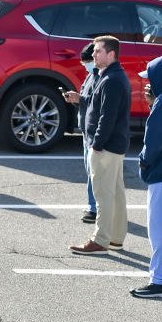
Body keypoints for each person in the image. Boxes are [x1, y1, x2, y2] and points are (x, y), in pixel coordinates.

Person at [71, 35, 131, 255]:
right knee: (115, 192)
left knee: (103, 194)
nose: (93, 55)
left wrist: (96, 145)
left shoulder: (112, 80)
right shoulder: (110, 76)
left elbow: (107, 117)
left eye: (98, 51)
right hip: (113, 145)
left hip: (106, 147)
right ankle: (116, 238)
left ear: (111, 54)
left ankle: (100, 241)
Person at [132, 55, 162, 298]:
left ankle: (160, 280)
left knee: (159, 229)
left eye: (150, 78)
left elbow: (153, 142)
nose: (146, 84)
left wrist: (143, 161)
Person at [62, 44, 100, 223]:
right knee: (89, 170)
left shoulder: (103, 78)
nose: (84, 64)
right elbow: (87, 102)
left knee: (95, 172)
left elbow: (98, 104)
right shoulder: (90, 77)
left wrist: (81, 99)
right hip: (86, 131)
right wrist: (77, 99)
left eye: (87, 61)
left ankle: (94, 209)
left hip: (94, 134)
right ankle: (94, 206)